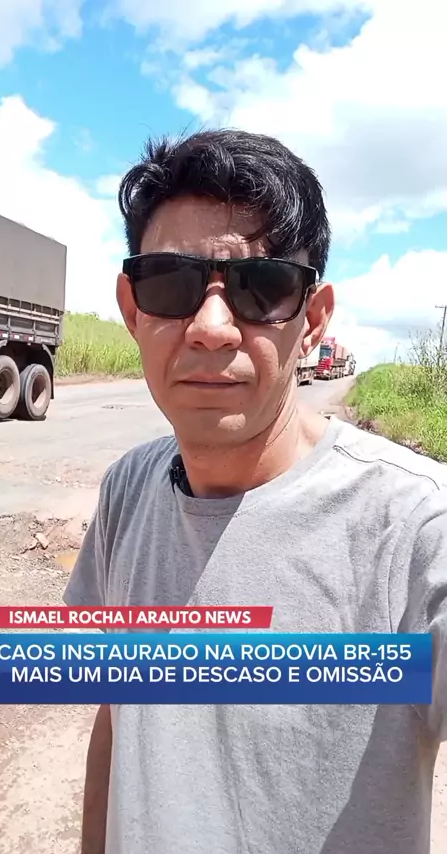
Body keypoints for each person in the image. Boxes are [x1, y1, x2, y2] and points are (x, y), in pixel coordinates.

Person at [64, 129, 447, 854]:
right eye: (170, 283)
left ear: (313, 320)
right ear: (132, 309)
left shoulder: (417, 528)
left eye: (260, 288)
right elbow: (117, 718)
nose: (211, 328)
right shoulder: (127, 491)